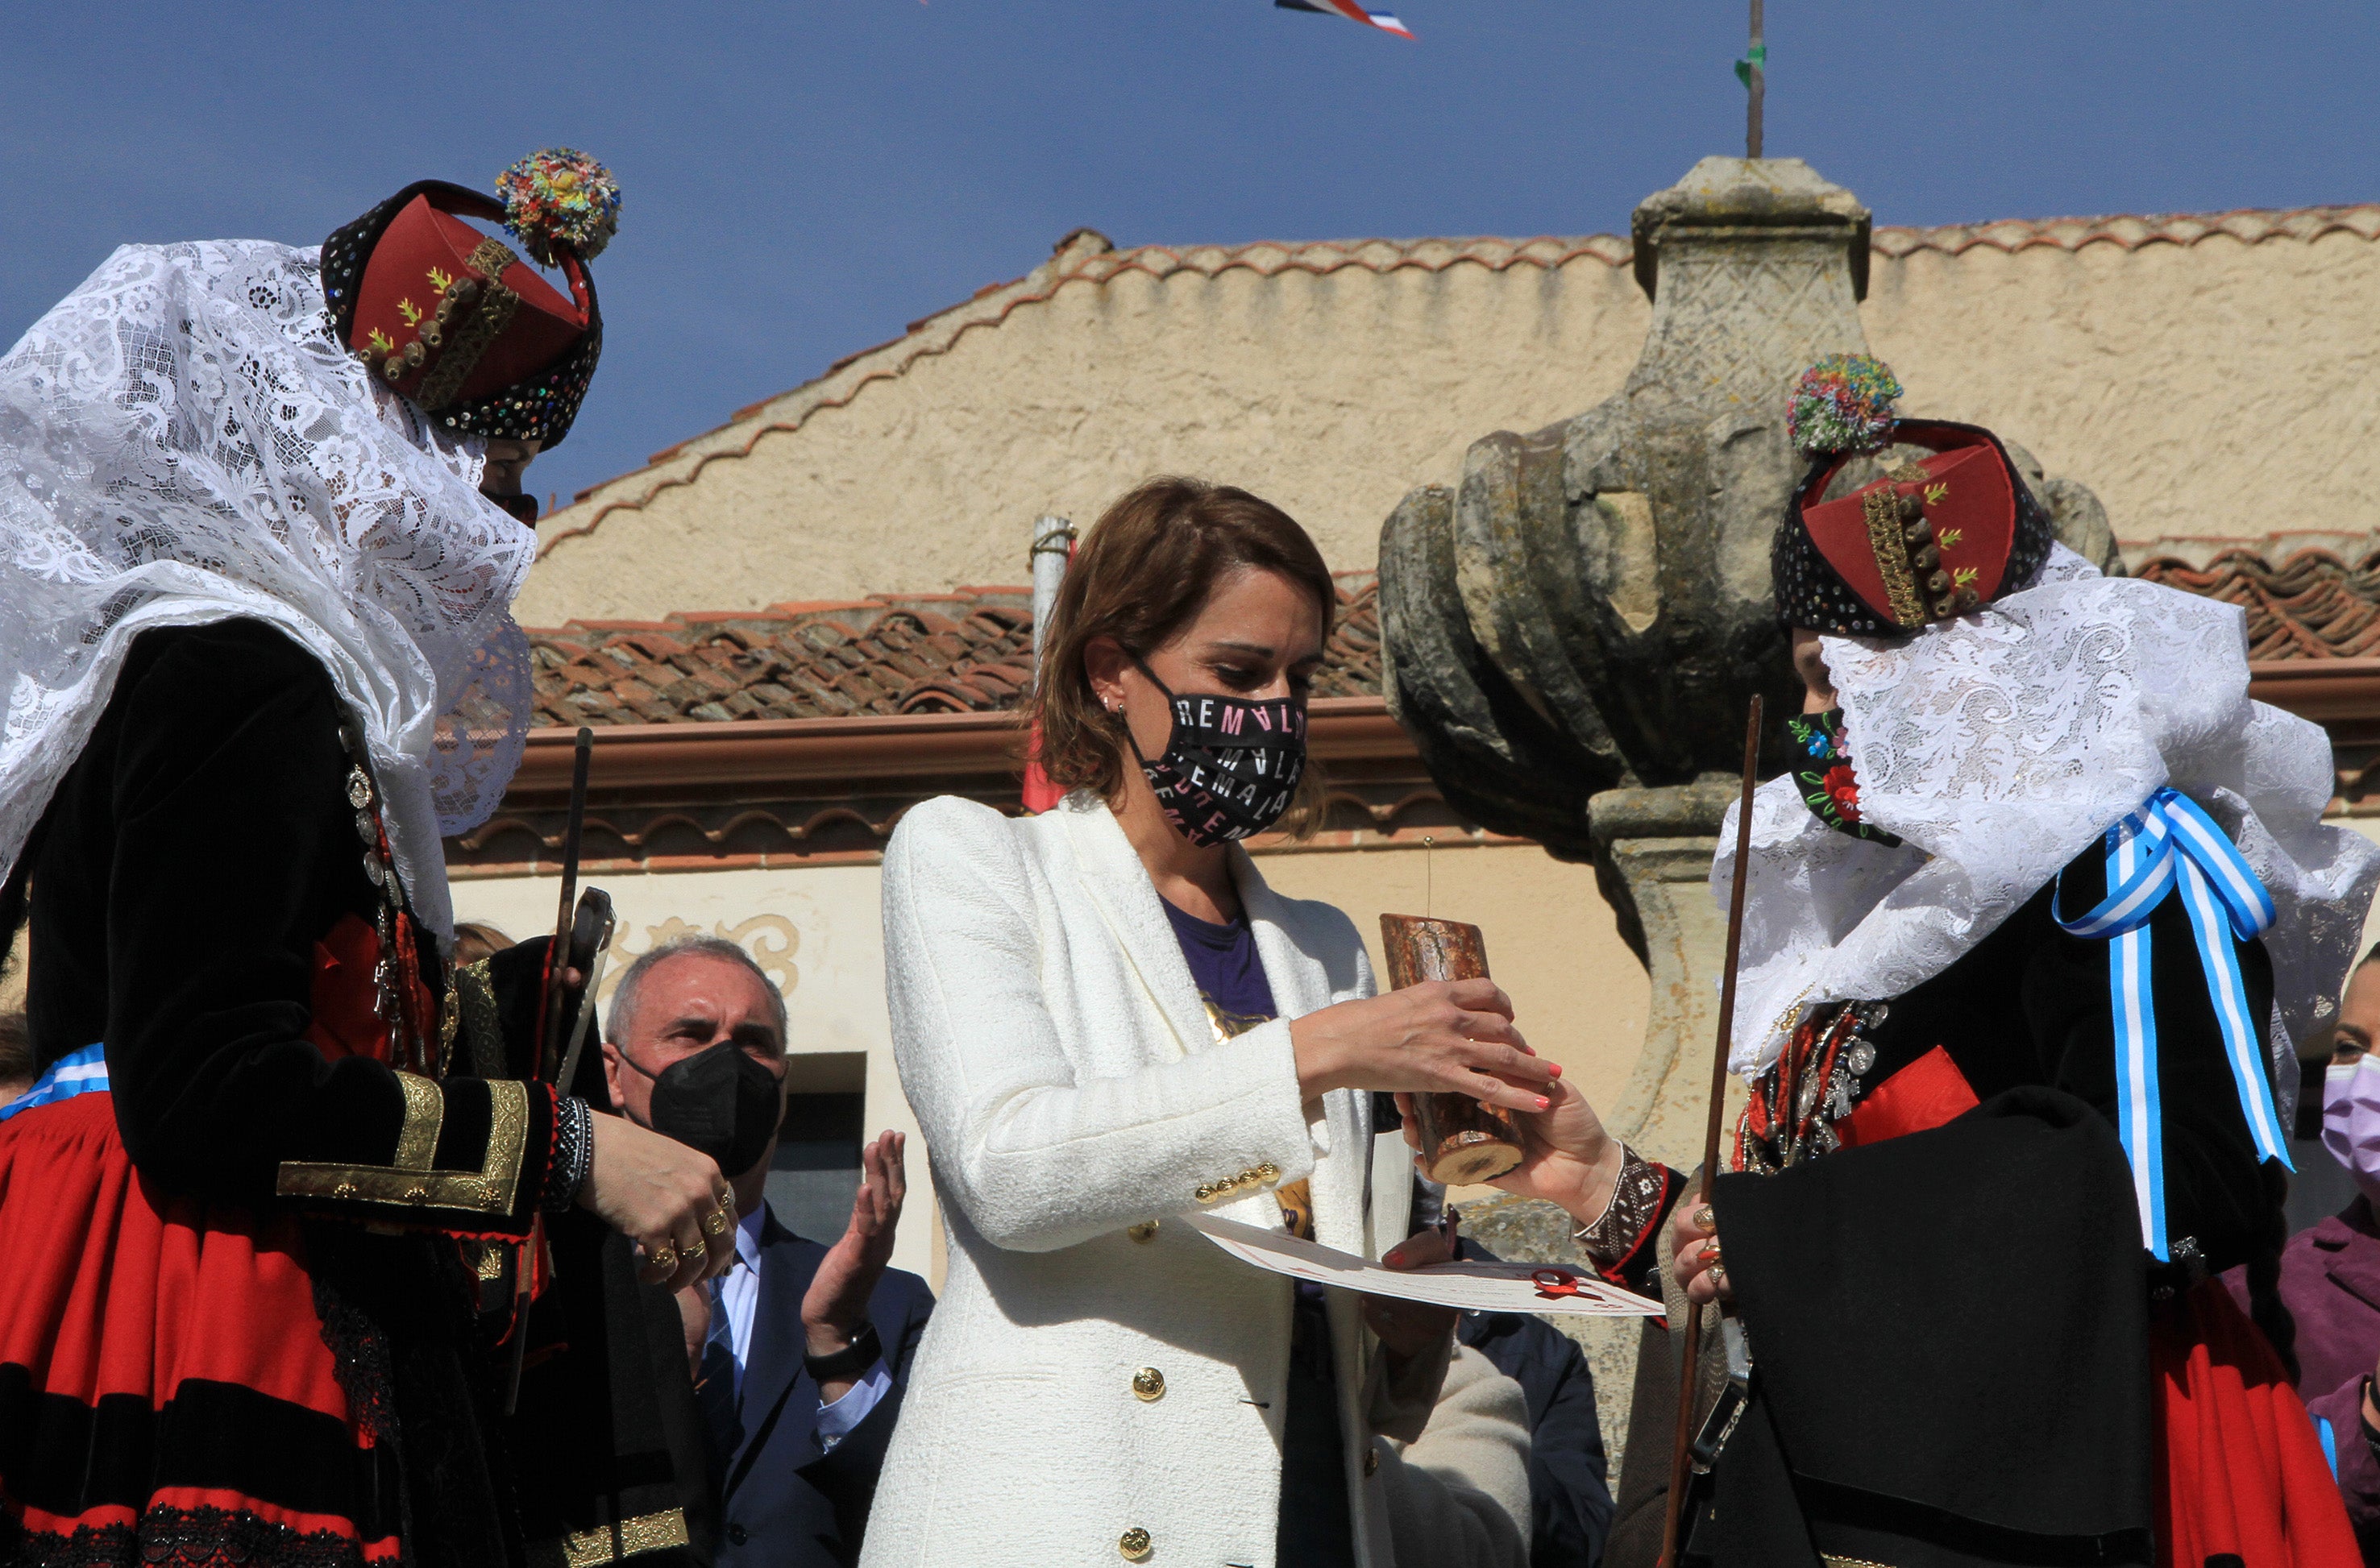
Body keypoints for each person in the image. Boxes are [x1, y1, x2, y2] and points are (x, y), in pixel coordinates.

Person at [1498, 357, 2380, 1566]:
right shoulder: (1862, 919)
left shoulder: (2110, 868)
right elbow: (1804, 1231)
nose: (1824, 725)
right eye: (1810, 681)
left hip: (2086, 1476)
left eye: (1845, 678)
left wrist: (1781, 1239)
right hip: (1875, 1480)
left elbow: (2175, 1188)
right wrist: (1616, 1189)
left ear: (1979, 674)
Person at [0, 151, 740, 1568]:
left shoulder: (274, 679)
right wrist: (571, 1153)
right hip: (182, 1294)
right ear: (379, 459)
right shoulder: (232, 668)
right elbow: (210, 1083)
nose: (508, 533)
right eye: (498, 480)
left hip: (229, 1254)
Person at [865, 477, 1543, 1568]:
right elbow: (1009, 1169)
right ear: (1110, 673)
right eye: (1238, 673)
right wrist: (1329, 1049)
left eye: (1299, 676)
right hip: (1067, 1517)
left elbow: (1296, 1317)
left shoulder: (1322, 945)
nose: (1275, 708)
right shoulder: (975, 860)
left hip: (1301, 1510)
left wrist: (1405, 1341)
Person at [596, 935, 932, 1568]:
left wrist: (838, 1347)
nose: (727, 1062)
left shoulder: (889, 1304)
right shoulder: (549, 1284)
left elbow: (929, 1508)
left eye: (754, 1042)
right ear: (615, 1073)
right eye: (690, 1035)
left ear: (784, 1082)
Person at [2225, 946, 2380, 1559]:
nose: (2366, 1075)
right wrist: (2368, 1421)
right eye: (2348, 1048)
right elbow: (2250, 1511)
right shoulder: (2267, 1293)